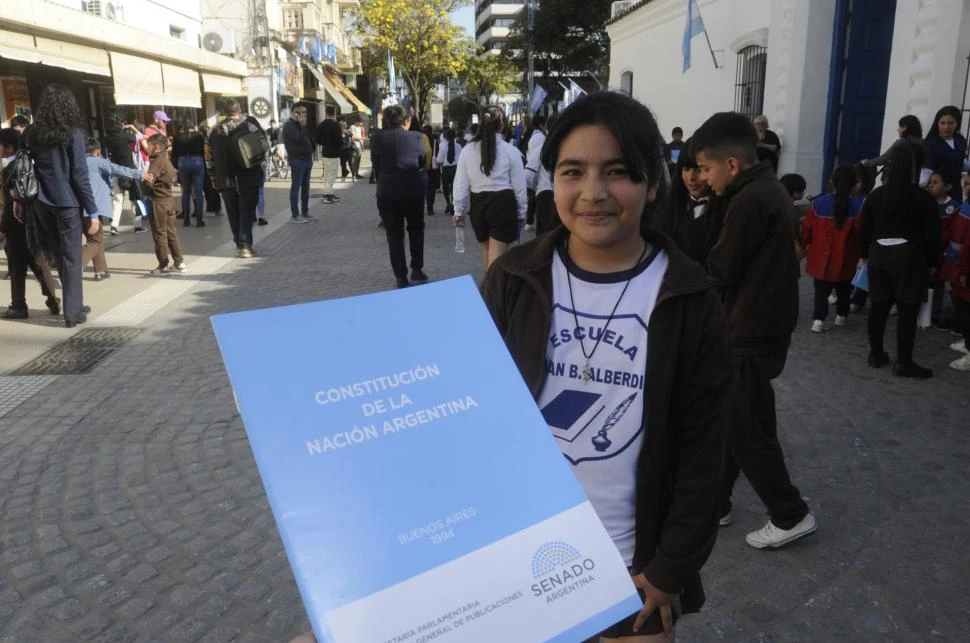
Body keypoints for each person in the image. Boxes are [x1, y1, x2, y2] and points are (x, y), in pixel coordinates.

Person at [482, 92, 731, 642]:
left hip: (629, 569)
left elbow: (704, 450)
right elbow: (470, 413)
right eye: (573, 172)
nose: (593, 193)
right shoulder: (514, 279)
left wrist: (669, 569)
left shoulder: (688, 295)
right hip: (517, 554)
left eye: (617, 172)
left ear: (652, 182)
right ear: (553, 182)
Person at [693, 111, 815, 549]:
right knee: (738, 420)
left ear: (731, 165)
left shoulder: (751, 199)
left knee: (746, 428)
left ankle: (789, 513)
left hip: (751, 327)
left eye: (706, 169)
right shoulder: (765, 189)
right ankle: (719, 501)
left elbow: (720, 267)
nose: (703, 179)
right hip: (758, 323)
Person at [859, 144, 940, 378]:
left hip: (878, 254)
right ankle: (904, 361)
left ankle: (876, 354)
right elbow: (932, 236)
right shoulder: (923, 199)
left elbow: (864, 229)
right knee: (907, 310)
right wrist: (932, 262)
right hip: (908, 256)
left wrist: (864, 254)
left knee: (879, 306)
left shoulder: (876, 195)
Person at [22, 83, 99, 328]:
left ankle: (73, 303)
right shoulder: (73, 133)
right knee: (72, 257)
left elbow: (25, 167)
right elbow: (79, 174)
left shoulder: (33, 133)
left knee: (58, 254)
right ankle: (72, 312)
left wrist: (18, 201)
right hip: (67, 202)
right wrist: (92, 210)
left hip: (40, 201)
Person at [453, 106, 527, 272]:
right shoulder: (511, 152)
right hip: (503, 203)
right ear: (502, 125)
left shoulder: (467, 150)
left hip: (478, 204)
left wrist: (459, 211)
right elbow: (519, 187)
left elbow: (461, 183)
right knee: (498, 257)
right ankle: (493, 294)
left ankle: (488, 292)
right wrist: (522, 212)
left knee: (487, 253)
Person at [0, 127, 59, 319]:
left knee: (17, 266)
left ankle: (19, 305)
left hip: (15, 224)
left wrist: (2, 227)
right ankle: (51, 297)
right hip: (32, 222)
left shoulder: (11, 168)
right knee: (33, 261)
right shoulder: (30, 163)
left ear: (8, 148)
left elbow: (10, 202)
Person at [797, 165, 864, 333]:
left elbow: (807, 229)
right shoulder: (859, 205)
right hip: (846, 257)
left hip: (820, 257)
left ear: (832, 182)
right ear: (855, 183)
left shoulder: (817, 203)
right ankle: (842, 315)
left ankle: (818, 320)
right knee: (844, 288)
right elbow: (860, 232)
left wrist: (803, 246)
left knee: (821, 290)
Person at [371, 105, 428, 288]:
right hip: (412, 190)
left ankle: (400, 276)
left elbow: (376, 164)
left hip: (387, 192)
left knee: (394, 235)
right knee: (416, 230)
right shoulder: (416, 136)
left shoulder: (378, 138)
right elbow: (422, 161)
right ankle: (417, 269)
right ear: (406, 121)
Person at [82, 136, 149, 281]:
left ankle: (101, 270)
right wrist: (139, 174)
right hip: (94, 207)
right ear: (97, 151)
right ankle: (76, 267)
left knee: (94, 238)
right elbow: (116, 169)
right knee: (95, 240)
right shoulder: (97, 162)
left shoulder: (76, 163)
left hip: (79, 207)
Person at [208, 99, 266, 258]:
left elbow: (208, 156)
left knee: (233, 212)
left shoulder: (213, 130)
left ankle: (240, 244)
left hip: (225, 178)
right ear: (239, 110)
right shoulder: (249, 125)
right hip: (248, 176)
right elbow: (264, 144)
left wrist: (213, 176)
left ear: (223, 112)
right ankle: (246, 245)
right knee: (247, 211)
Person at [652, 137, 723, 267]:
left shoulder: (727, 210)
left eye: (698, 169)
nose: (691, 178)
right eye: (686, 169)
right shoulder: (668, 206)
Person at [143, 133, 186, 276]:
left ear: (155, 147)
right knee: (171, 232)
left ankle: (163, 265)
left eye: (148, 145)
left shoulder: (156, 162)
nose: (146, 147)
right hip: (168, 200)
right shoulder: (166, 160)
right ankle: (179, 262)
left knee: (160, 233)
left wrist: (143, 184)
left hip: (158, 201)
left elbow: (149, 183)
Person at [102, 113, 147, 236]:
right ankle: (137, 226)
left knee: (117, 200)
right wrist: (132, 127)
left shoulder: (107, 139)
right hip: (130, 170)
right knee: (134, 198)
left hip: (116, 170)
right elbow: (141, 137)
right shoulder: (127, 136)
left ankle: (114, 226)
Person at [926, 170, 960, 328]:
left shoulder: (953, 207)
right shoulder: (927, 202)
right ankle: (928, 313)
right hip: (929, 249)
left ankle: (943, 313)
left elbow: (954, 231)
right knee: (931, 283)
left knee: (943, 283)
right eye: (930, 182)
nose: (931, 185)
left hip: (945, 252)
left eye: (936, 182)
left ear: (947, 186)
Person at [943, 175, 970, 371]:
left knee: (966, 308)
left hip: (965, 265)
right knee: (960, 303)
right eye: (965, 183)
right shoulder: (965, 205)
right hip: (956, 261)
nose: (967, 187)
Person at [920, 106, 967, 200]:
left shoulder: (960, 140)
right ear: (937, 123)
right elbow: (927, 170)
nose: (946, 127)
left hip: (956, 190)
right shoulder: (930, 144)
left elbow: (959, 162)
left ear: (957, 123)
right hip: (937, 192)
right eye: (942, 123)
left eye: (950, 123)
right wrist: (922, 188)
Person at [282, 103, 316, 223]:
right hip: (297, 160)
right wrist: (302, 126)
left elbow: (309, 139)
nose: (305, 115)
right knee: (296, 187)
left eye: (306, 113)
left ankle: (305, 212)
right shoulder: (289, 126)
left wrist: (312, 147)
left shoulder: (302, 125)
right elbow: (299, 139)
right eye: (302, 113)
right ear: (295, 113)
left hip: (307, 159)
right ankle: (295, 215)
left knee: (306, 187)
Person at [172, 119, 207, 227]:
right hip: (197, 161)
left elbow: (174, 153)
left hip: (182, 162)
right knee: (198, 192)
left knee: (185, 192)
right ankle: (199, 218)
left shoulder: (177, 136)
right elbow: (202, 150)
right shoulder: (199, 135)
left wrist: (176, 167)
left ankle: (186, 219)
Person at [523, 115, 548, 233]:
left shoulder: (534, 137)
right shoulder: (541, 139)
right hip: (538, 172)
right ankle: (529, 220)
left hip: (534, 169)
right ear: (542, 125)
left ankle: (529, 220)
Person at [315, 112, 343, 204]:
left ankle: (329, 193)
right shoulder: (336, 125)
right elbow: (339, 140)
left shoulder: (321, 125)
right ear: (333, 115)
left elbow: (317, 139)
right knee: (332, 174)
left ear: (326, 114)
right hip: (334, 153)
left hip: (325, 152)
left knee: (327, 174)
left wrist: (325, 143)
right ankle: (327, 194)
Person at [198, 122, 223, 217]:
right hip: (214, 164)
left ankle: (211, 207)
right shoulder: (214, 137)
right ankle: (217, 208)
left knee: (207, 187)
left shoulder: (202, 140)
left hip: (205, 164)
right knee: (215, 187)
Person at [436, 128, 462, 216]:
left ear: (445, 137)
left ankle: (448, 204)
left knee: (446, 188)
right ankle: (453, 204)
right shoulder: (458, 146)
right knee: (454, 188)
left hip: (446, 169)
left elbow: (439, 159)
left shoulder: (442, 146)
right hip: (455, 169)